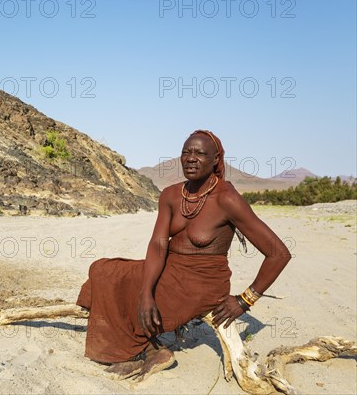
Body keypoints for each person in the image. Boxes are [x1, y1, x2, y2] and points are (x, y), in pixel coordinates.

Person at [76, 130, 292, 380]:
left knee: (136, 295)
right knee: (105, 270)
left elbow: (278, 253)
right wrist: (146, 293)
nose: (191, 158)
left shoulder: (227, 198)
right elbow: (158, 244)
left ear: (215, 160)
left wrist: (245, 300)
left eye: (200, 153)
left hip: (203, 282)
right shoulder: (170, 194)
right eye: (186, 152)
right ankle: (153, 349)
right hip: (171, 268)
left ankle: (147, 346)